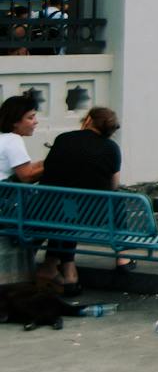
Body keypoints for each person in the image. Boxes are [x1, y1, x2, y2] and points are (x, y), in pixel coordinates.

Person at [37, 106, 122, 293]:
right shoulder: (111, 148)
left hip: (48, 210)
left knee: (67, 208)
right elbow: (114, 185)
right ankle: (122, 255)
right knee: (109, 202)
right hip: (93, 216)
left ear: (88, 120)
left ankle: (55, 267)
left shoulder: (63, 139)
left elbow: (49, 172)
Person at [0, 95, 44, 182]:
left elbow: (24, 168)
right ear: (15, 122)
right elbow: (27, 176)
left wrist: (51, 160)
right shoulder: (13, 140)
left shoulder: (4, 138)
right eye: (30, 117)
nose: (36, 121)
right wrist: (56, 165)